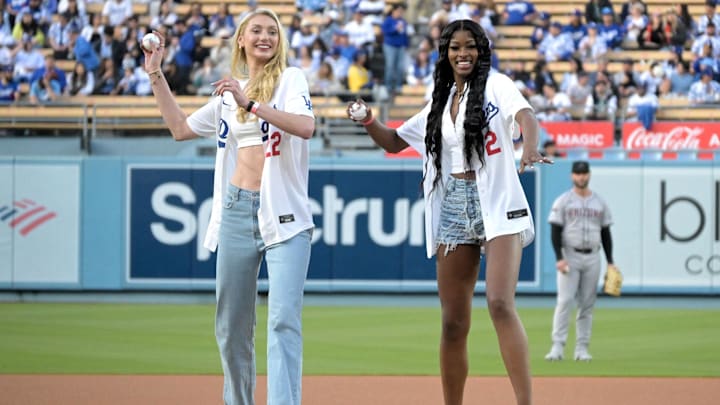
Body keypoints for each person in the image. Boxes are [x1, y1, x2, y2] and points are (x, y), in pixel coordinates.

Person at [346, 19, 551, 405]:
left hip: (498, 200)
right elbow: (393, 142)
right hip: (453, 204)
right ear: (445, 53)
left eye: (470, 46)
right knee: (453, 322)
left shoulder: (497, 85)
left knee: (500, 303)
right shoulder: (438, 102)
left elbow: (526, 116)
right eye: (455, 47)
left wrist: (528, 147)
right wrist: (369, 120)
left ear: (481, 50)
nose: (463, 53)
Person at [142, 8, 315, 405]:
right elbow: (180, 129)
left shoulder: (290, 79)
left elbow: (306, 127)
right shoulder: (229, 90)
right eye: (256, 30)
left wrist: (250, 103)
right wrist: (156, 73)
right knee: (231, 328)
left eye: (272, 31)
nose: (265, 37)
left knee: (283, 320)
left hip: (284, 214)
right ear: (241, 39)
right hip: (237, 210)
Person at [545, 160, 614, 362]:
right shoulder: (563, 201)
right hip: (570, 256)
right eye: (577, 173)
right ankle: (557, 347)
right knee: (565, 301)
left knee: (587, 304)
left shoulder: (599, 202)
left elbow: (605, 233)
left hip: (593, 256)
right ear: (572, 176)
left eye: (584, 173)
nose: (581, 177)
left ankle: (582, 349)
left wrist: (610, 261)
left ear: (589, 175)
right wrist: (559, 258)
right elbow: (555, 231)